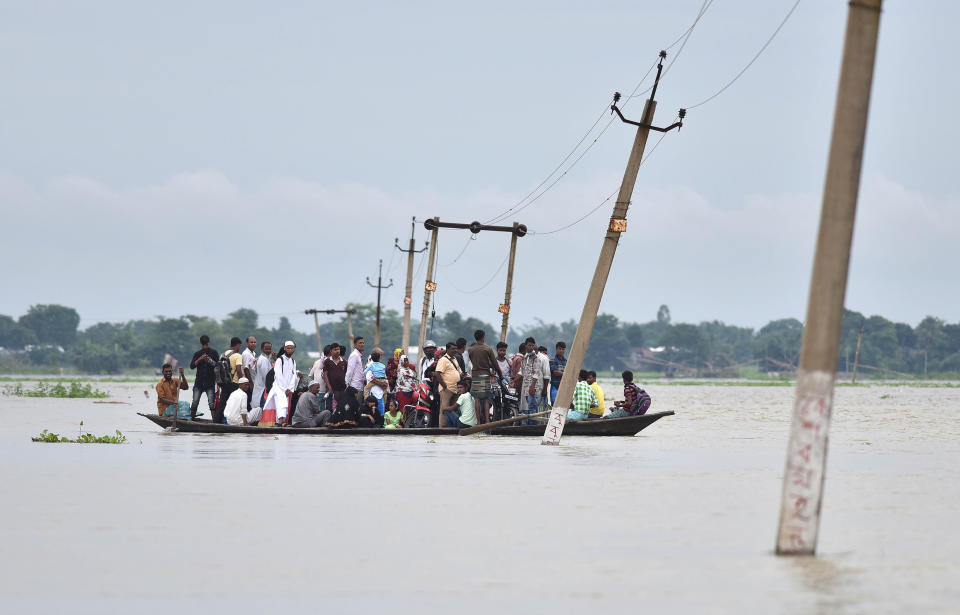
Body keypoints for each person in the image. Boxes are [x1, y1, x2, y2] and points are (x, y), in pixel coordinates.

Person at [466, 329, 503, 425]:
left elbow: (473, 361)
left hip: (475, 376)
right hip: (485, 375)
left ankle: (478, 422)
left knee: (477, 399)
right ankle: (487, 421)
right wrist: (500, 375)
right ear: (483, 337)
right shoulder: (488, 349)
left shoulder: (470, 350)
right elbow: (495, 364)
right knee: (486, 399)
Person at [263, 340, 298, 427]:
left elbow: (294, 376)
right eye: (288, 348)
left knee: (284, 405)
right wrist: (284, 388)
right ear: (285, 349)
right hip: (279, 386)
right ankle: (280, 422)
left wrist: (289, 388)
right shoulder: (280, 360)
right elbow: (278, 375)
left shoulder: (293, 361)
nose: (290, 350)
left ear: (294, 349)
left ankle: (280, 422)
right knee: (281, 404)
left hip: (287, 388)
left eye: (292, 348)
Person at [215, 337, 245, 423]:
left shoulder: (223, 354)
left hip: (224, 383)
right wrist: (242, 382)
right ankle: (232, 422)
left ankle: (217, 422)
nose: (239, 348)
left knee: (222, 403)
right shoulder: (238, 356)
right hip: (234, 383)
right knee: (234, 404)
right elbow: (239, 370)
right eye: (240, 346)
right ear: (238, 345)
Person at [188, 335, 218, 420]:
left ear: (209, 343)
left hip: (210, 383)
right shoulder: (197, 354)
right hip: (199, 383)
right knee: (194, 403)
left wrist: (209, 360)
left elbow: (217, 366)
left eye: (206, 345)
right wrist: (200, 359)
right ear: (201, 344)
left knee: (212, 405)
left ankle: (215, 423)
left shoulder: (214, 353)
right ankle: (191, 421)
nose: (205, 347)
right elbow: (192, 366)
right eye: (204, 345)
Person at [435, 342, 463, 427]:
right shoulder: (443, 360)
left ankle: (452, 426)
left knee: (454, 409)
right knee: (444, 409)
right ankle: (443, 428)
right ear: (447, 350)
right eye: (452, 349)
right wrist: (444, 386)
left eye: (455, 348)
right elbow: (437, 373)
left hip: (456, 388)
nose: (455, 350)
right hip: (446, 389)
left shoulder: (454, 359)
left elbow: (460, 372)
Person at [363, 350, 389, 415]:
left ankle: (366, 399)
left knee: (366, 389)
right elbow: (369, 376)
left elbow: (365, 373)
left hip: (377, 387)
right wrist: (381, 383)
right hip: (375, 388)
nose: (381, 357)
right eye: (381, 355)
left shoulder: (371, 365)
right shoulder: (381, 365)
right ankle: (366, 400)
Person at [322, 343, 348, 407]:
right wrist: (329, 387)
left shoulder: (344, 362)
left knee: (341, 406)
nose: (337, 351)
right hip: (331, 389)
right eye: (335, 349)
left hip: (342, 389)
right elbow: (325, 374)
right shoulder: (327, 361)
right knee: (330, 407)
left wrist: (346, 387)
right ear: (331, 351)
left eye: (338, 349)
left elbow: (346, 374)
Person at [252, 341, 273, 410]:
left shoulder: (263, 358)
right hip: (263, 389)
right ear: (262, 349)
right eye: (266, 349)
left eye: (270, 349)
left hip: (261, 388)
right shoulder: (264, 360)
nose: (268, 351)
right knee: (263, 409)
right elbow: (266, 376)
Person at [241, 336, 258, 409]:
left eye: (254, 342)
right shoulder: (246, 354)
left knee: (251, 400)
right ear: (247, 343)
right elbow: (246, 368)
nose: (253, 344)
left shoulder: (253, 353)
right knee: (247, 401)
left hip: (253, 380)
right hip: (247, 382)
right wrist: (250, 383)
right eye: (251, 342)